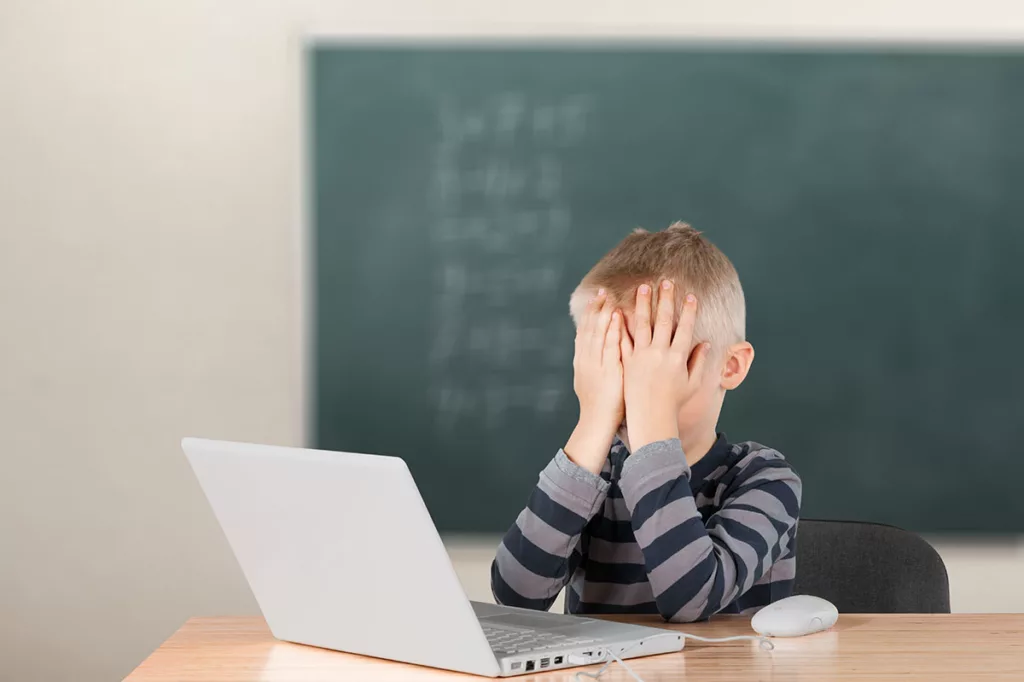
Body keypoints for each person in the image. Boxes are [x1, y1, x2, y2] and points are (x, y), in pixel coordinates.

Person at [491, 222, 802, 622]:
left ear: (730, 366)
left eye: (654, 368)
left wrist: (652, 423)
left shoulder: (765, 479)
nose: (629, 391)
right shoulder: (592, 475)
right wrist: (592, 421)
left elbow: (692, 599)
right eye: (611, 365)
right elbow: (515, 598)